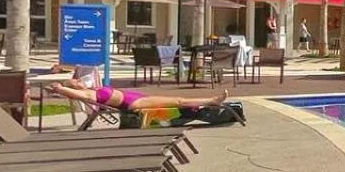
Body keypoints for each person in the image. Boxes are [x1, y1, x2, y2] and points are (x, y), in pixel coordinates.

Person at [50, 75, 232, 115]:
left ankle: (209, 102)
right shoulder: (88, 94)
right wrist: (59, 88)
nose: (78, 80)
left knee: (178, 101)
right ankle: (212, 101)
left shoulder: (93, 89)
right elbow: (75, 94)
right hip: (132, 104)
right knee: (178, 101)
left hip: (134, 98)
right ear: (73, 87)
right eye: (75, 81)